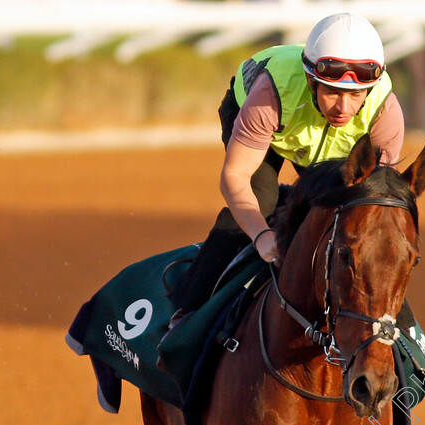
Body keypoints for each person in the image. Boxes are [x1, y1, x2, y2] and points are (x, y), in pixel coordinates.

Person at [174, 12, 408, 316]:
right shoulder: (269, 94)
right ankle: (187, 313)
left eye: (355, 96)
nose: (343, 107)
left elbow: (378, 205)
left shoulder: (384, 112)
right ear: (312, 81)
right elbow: (235, 176)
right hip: (266, 120)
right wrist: (260, 235)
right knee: (261, 199)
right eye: (332, 92)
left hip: (322, 147)